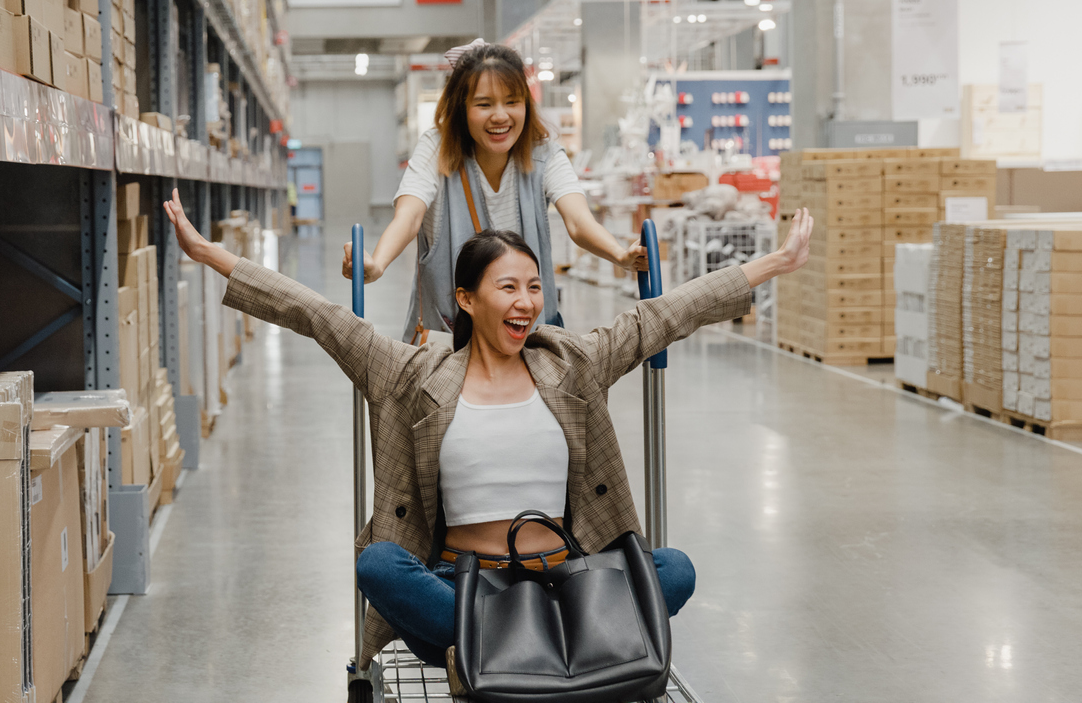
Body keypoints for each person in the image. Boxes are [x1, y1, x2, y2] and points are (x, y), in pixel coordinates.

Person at [164, 189, 814, 674]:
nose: (527, 301)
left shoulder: (571, 362)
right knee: (378, 565)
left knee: (673, 569)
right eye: (508, 286)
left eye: (534, 286)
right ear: (467, 299)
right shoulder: (408, 371)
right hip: (460, 590)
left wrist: (772, 264)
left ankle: (504, 658)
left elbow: (666, 315)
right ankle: (531, 654)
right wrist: (209, 254)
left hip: (565, 584)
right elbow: (315, 314)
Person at [341, 40, 647, 340]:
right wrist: (377, 264)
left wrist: (620, 255)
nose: (500, 116)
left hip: (528, 336)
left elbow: (579, 222)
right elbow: (409, 217)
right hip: (450, 338)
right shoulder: (435, 149)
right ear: (461, 108)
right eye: (484, 104)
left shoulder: (545, 154)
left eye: (512, 101)